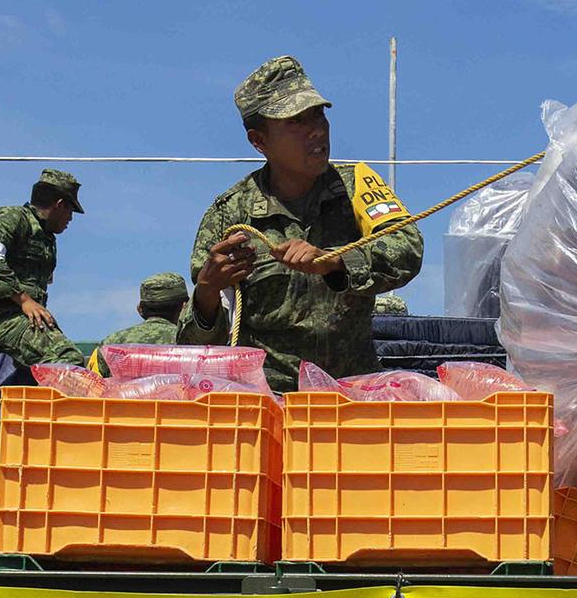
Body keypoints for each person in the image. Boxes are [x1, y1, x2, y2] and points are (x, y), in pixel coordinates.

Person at [180, 56, 423, 391]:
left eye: (318, 114)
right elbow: (201, 349)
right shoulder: (230, 215)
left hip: (351, 396)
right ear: (259, 141)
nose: (316, 129)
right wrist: (206, 293)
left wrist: (334, 262)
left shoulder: (356, 184)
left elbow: (407, 249)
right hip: (270, 403)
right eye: (296, 120)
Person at [0, 168, 87, 367]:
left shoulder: (46, 238)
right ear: (59, 205)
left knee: (68, 356)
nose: (70, 218)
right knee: (68, 360)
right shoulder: (12, 217)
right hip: (1, 319)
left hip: (26, 320)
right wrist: (24, 300)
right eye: (71, 210)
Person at [92, 272, 188, 376]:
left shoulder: (109, 344)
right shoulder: (191, 342)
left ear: (140, 309)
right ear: (184, 307)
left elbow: (90, 386)